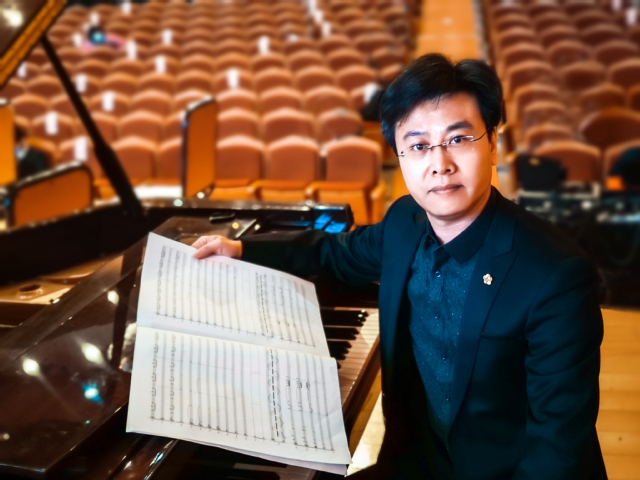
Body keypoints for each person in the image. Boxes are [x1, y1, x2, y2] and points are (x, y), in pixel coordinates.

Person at [192, 54, 607, 480]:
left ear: (492, 142)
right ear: (400, 156)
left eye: (458, 139)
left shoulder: (556, 275)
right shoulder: (404, 222)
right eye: (419, 145)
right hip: (414, 464)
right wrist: (242, 249)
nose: (440, 164)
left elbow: (556, 451)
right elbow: (334, 252)